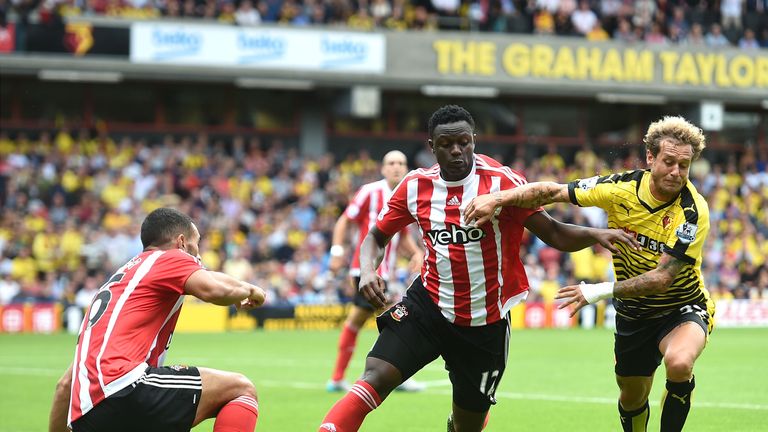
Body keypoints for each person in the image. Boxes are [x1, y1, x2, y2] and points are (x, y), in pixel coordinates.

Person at [318, 105, 640, 432]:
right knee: (375, 377)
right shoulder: (415, 186)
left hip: (485, 322)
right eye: (446, 144)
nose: (456, 151)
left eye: (464, 142)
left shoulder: (502, 183)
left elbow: (554, 232)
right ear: (432, 147)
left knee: (466, 426)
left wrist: (598, 234)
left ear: (474, 140)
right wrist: (368, 270)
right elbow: (376, 236)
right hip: (427, 306)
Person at [464, 116, 712, 432]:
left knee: (679, 363)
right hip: (634, 314)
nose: (676, 172)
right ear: (650, 157)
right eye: (668, 162)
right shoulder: (618, 189)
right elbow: (550, 192)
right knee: (632, 397)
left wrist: (595, 292)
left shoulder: (693, 211)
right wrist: (497, 198)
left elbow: (663, 279)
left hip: (681, 307)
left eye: (684, 165)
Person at [48, 208, 267, 432]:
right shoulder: (167, 258)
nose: (198, 254)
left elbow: (65, 386)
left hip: (89, 413)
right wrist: (251, 290)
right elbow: (213, 289)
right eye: (197, 243)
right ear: (182, 243)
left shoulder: (121, 281)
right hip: (126, 388)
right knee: (241, 389)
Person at [327, 150, 425, 392]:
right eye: (391, 163)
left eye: (401, 163)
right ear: (383, 169)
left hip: (388, 273)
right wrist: (337, 252)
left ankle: (339, 378)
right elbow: (345, 220)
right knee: (398, 321)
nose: (396, 167)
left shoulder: (406, 195)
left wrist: (415, 252)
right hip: (367, 271)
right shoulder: (369, 192)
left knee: (360, 321)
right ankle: (393, 374)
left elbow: (400, 234)